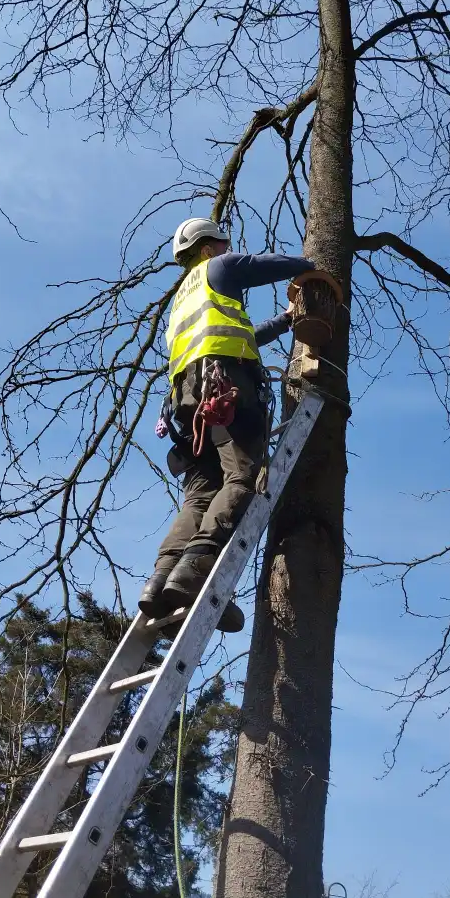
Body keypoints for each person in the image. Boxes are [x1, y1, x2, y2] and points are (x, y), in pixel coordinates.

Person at [139, 217, 315, 632]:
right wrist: (313, 265)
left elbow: (243, 335)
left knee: (199, 498)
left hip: (187, 401)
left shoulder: (183, 299)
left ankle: (162, 581)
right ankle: (195, 569)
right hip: (224, 386)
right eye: (221, 244)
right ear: (205, 248)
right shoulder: (218, 269)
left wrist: (287, 321)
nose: (226, 250)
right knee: (244, 476)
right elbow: (261, 263)